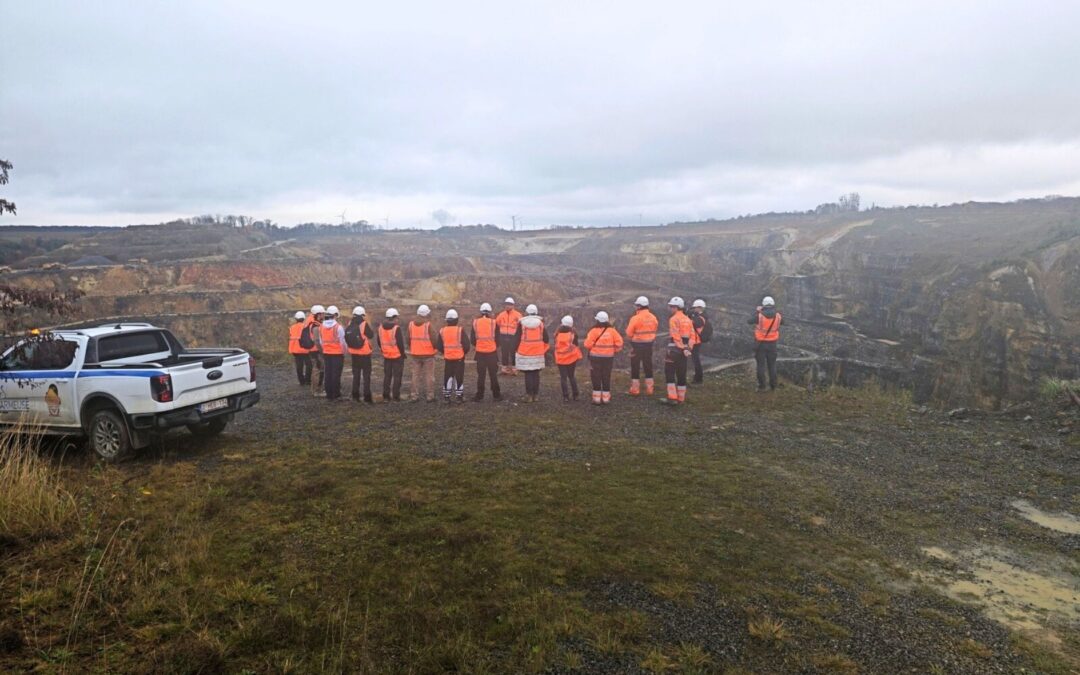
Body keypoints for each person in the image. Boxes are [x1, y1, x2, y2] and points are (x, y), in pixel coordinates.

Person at [662, 297, 698, 404]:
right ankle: (681, 398)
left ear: (676, 307)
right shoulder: (688, 320)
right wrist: (688, 348)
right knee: (681, 373)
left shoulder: (673, 319)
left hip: (674, 350)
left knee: (669, 372)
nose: (670, 308)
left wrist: (681, 347)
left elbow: (675, 335)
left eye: (671, 306)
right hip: (684, 352)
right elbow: (693, 336)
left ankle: (672, 397)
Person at [584, 311, 624, 405]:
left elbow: (587, 344)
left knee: (596, 376)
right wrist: (613, 350)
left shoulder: (593, 331)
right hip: (608, 358)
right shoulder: (612, 331)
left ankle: (596, 399)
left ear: (597, 320)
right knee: (606, 376)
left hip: (595, 358)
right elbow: (619, 343)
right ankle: (606, 398)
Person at [513, 303, 549, 402]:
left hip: (525, 353)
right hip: (538, 352)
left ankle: (529, 396)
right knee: (536, 374)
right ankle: (536, 395)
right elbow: (546, 338)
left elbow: (516, 338)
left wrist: (515, 349)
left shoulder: (522, 324)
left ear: (527, 312)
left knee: (528, 374)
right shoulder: (540, 324)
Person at [436, 308, 471, 403]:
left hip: (448, 358)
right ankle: (459, 397)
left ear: (447, 320)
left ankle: (446, 397)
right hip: (459, 358)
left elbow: (439, 345)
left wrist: (446, 352)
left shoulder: (442, 331)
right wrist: (463, 353)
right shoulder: (460, 330)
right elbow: (467, 345)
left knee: (448, 376)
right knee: (459, 377)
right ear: (457, 320)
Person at [625, 295, 658, 396]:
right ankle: (650, 388)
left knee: (635, 366)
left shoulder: (635, 318)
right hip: (649, 345)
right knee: (648, 365)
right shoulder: (653, 317)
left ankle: (635, 389)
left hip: (637, 345)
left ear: (639, 306)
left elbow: (629, 333)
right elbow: (655, 329)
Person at [749, 296, 782, 392]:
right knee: (772, 365)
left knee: (761, 365)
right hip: (772, 344)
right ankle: (773, 386)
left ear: (763, 304)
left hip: (761, 344)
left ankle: (762, 386)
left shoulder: (759, 316)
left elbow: (749, 321)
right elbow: (783, 322)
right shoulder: (778, 316)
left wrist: (758, 311)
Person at [471, 302, 502, 401]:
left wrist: (480, 345)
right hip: (492, 353)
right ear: (490, 312)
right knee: (493, 374)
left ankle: (479, 395)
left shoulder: (475, 323)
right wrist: (493, 345)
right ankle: (496, 395)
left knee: (481, 375)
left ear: (480, 312)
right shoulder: (494, 323)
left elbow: (472, 339)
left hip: (480, 353)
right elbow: (498, 339)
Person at [407, 304, 437, 402]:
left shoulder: (411, 325)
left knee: (415, 376)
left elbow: (408, 339)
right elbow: (434, 339)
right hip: (428, 354)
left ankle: (414, 396)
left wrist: (412, 347)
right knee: (429, 376)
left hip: (415, 354)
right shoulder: (428, 325)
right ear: (426, 314)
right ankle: (430, 396)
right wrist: (435, 348)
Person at [345, 305, 375, 403]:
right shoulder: (363, 324)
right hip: (365, 354)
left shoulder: (350, 323)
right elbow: (371, 335)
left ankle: (355, 395)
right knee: (366, 376)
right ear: (363, 315)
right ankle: (367, 396)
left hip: (354, 353)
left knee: (356, 375)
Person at [377, 308, 406, 402]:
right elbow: (400, 344)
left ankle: (386, 396)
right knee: (397, 376)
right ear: (394, 317)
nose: (398, 319)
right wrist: (403, 354)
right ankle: (396, 396)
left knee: (387, 376)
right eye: (397, 317)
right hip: (397, 356)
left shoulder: (380, 328)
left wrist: (384, 350)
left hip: (386, 356)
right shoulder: (396, 328)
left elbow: (379, 341)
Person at [320, 305, 347, 401]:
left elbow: (321, 341)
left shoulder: (321, 326)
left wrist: (325, 349)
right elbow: (342, 342)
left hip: (326, 353)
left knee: (328, 373)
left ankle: (329, 394)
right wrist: (344, 352)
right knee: (336, 374)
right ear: (335, 315)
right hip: (337, 354)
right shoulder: (338, 327)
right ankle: (336, 394)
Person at [553, 315, 582, 402]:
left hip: (560, 359)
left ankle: (566, 396)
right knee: (572, 376)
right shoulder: (573, 334)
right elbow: (576, 344)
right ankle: (575, 395)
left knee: (563, 378)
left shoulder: (557, 334)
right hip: (571, 358)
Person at [496, 297, 523, 375]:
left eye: (509, 305)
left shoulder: (518, 315)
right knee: (504, 352)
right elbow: (497, 323)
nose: (507, 306)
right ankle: (504, 368)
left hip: (513, 337)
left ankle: (514, 369)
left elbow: (520, 326)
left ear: (513, 305)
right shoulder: (501, 315)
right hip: (503, 336)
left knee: (513, 353)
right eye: (506, 304)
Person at [690, 298, 712, 384]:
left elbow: (691, 323)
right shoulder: (703, 317)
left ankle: (698, 379)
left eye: (695, 308)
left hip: (696, 341)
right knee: (696, 360)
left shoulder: (700, 318)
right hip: (696, 341)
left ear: (700, 308)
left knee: (696, 360)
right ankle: (698, 378)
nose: (694, 309)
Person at [306, 304, 326, 397]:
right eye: (322, 313)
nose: (324, 315)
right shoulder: (316, 326)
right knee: (317, 370)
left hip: (313, 350)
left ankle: (314, 390)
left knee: (316, 369)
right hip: (316, 351)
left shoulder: (312, 324)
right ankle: (317, 391)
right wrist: (322, 351)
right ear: (318, 314)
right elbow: (317, 341)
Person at [288, 310, 311, 386]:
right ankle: (308, 380)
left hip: (295, 349)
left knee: (299, 366)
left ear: (296, 319)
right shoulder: (305, 326)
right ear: (304, 318)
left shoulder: (292, 327)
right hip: (304, 349)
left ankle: (301, 381)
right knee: (308, 364)